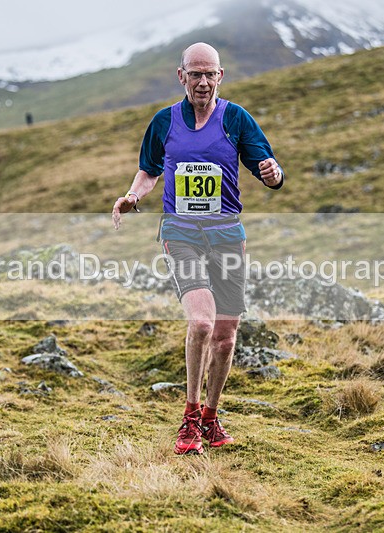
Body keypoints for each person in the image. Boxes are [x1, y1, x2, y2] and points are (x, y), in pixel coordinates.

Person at [112, 42, 284, 455]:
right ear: (181, 76)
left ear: (220, 76)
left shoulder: (236, 119)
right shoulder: (164, 122)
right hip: (182, 234)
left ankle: (211, 416)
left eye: (210, 74)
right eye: (195, 74)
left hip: (226, 235)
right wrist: (133, 196)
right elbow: (150, 170)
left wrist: (274, 174)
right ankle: (189, 419)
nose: (202, 82)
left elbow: (270, 171)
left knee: (225, 335)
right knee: (203, 324)